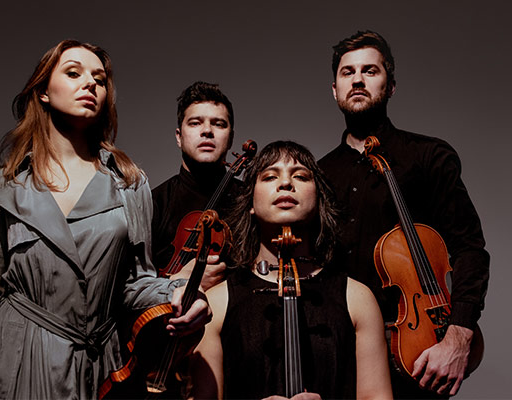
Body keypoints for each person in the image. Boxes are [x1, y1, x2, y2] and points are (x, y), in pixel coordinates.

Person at [0, 40, 210, 400]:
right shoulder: (4, 185)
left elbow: (135, 282)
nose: (90, 84)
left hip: (97, 368)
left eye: (100, 79)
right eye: (73, 73)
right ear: (43, 93)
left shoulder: (129, 183)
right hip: (15, 360)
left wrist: (181, 292)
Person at [317, 30, 490, 397]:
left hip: (415, 351)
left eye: (370, 70)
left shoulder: (428, 157)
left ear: (390, 86)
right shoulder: (318, 174)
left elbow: (469, 249)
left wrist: (459, 335)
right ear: (334, 90)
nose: (358, 79)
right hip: (337, 351)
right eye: (347, 73)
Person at [188, 141, 392, 400]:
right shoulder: (216, 303)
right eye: (270, 176)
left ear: (318, 200)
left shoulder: (357, 299)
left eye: (301, 176)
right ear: (250, 201)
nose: (285, 184)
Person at [152, 81, 239, 289]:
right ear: (179, 137)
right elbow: (131, 285)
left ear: (231, 138)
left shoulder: (250, 200)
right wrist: (174, 282)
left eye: (218, 124)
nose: (207, 131)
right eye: (195, 123)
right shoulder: (154, 202)